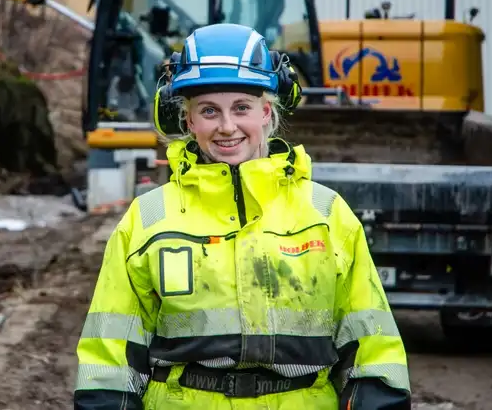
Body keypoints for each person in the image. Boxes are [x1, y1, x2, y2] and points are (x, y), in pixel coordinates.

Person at [73, 23, 411, 410]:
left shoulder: (326, 213)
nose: (227, 127)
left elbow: (371, 345)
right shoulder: (148, 219)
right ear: (188, 121)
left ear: (267, 112)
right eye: (209, 111)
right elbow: (110, 355)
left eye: (242, 108)